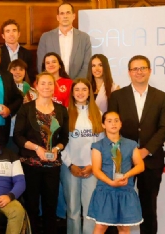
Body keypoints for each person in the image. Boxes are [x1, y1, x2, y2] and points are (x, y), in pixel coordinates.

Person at [107, 55, 165, 234]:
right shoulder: (117, 96)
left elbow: (164, 128)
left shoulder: (161, 97)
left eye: (142, 68)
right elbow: (112, 127)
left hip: (151, 160)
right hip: (122, 160)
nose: (139, 72)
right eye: (135, 69)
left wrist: (146, 150)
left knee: (148, 206)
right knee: (119, 205)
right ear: (129, 73)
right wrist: (129, 151)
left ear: (149, 71)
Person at [13, 72, 69, 234]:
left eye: (50, 83)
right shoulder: (26, 108)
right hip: (31, 164)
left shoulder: (61, 110)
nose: (46, 87)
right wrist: (37, 148)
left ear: (55, 87)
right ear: (36, 86)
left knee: (50, 206)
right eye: (43, 83)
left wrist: (56, 149)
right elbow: (18, 136)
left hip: (52, 165)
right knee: (31, 206)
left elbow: (64, 138)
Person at [87, 111, 145, 233]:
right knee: (101, 226)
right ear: (103, 125)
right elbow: (96, 170)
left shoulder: (131, 144)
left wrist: (126, 175)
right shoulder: (98, 146)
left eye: (116, 120)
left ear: (121, 124)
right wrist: (111, 182)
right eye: (109, 121)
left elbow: (140, 166)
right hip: (106, 191)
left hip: (125, 190)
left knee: (124, 227)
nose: (113, 123)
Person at [61, 79, 104, 234]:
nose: (80, 93)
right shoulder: (64, 113)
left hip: (91, 168)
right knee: (72, 210)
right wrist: (70, 164)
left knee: (90, 210)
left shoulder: (98, 113)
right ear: (72, 93)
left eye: (84, 89)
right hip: (69, 167)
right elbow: (60, 143)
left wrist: (93, 165)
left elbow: (101, 143)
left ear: (89, 92)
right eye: (77, 89)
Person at [36, 2, 92, 79]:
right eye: (62, 13)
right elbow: (41, 65)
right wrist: (51, 82)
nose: (65, 16)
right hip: (53, 84)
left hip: (77, 84)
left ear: (73, 16)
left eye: (68, 13)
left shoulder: (84, 38)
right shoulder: (46, 37)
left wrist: (75, 83)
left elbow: (86, 65)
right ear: (58, 17)